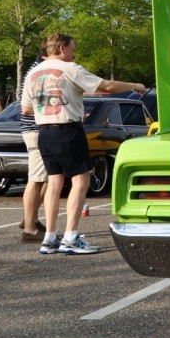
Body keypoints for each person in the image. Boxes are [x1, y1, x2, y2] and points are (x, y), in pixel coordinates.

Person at [21, 33, 146, 255]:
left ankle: (49, 238)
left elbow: (27, 108)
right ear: (61, 48)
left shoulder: (33, 73)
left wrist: (55, 102)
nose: (74, 52)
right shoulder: (71, 69)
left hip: (44, 132)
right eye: (71, 48)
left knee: (54, 181)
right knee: (81, 181)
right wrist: (134, 85)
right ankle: (70, 237)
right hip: (67, 130)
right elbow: (105, 86)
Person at [19, 45, 49, 243]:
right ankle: (29, 228)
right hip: (36, 130)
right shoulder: (40, 73)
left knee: (47, 177)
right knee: (37, 179)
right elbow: (30, 107)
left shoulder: (39, 69)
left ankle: (30, 218)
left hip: (40, 130)